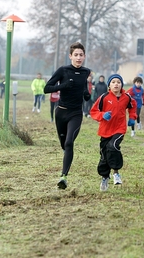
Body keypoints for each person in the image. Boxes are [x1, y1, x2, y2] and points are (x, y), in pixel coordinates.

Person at [43, 42, 91, 190]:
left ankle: (63, 177)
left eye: (81, 55)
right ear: (70, 56)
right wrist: (62, 86)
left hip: (76, 113)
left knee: (69, 143)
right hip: (61, 112)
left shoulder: (86, 72)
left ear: (84, 57)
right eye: (75, 55)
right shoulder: (63, 70)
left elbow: (83, 88)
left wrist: (86, 94)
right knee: (64, 144)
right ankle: (66, 154)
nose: (78, 57)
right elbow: (47, 88)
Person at [90, 74, 137, 191]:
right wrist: (102, 115)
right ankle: (105, 177)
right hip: (105, 130)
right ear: (109, 85)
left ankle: (116, 173)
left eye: (118, 82)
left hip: (119, 128)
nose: (116, 84)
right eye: (113, 82)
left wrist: (132, 117)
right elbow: (93, 111)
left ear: (121, 84)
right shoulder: (104, 97)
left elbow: (133, 106)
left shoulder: (127, 97)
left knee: (113, 146)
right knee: (104, 154)